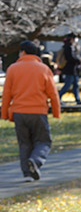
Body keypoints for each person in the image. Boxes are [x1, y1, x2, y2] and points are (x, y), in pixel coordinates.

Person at [1, 40, 61, 181]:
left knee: (24, 143)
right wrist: (56, 112)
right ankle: (36, 160)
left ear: (23, 52)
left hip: (19, 112)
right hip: (38, 111)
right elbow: (53, 93)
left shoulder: (12, 69)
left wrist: (4, 113)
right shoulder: (44, 69)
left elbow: (7, 94)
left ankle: (27, 174)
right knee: (44, 141)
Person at [58, 33, 81, 104]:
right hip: (70, 69)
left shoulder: (70, 47)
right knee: (68, 85)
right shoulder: (68, 47)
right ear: (71, 39)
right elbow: (70, 58)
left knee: (75, 85)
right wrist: (78, 60)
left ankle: (78, 99)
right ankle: (58, 98)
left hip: (73, 69)